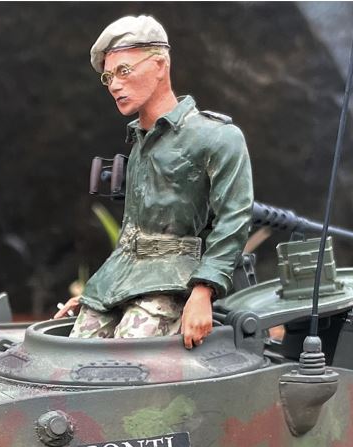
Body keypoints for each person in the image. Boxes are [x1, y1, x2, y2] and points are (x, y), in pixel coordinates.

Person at [56, 15, 253, 349]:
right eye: (108, 76)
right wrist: (97, 293)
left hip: (174, 280)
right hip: (127, 275)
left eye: (124, 71)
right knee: (70, 351)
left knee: (122, 362)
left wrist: (203, 292)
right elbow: (132, 230)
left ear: (160, 65)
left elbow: (233, 219)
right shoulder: (139, 143)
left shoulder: (216, 136)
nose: (114, 85)